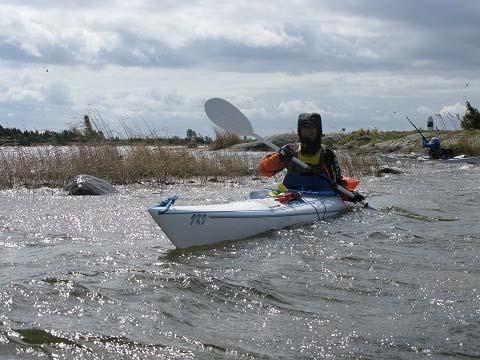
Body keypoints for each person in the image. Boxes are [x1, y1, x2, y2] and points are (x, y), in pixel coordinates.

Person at [258, 112, 364, 202]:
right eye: (305, 129)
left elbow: (336, 183)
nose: (308, 132)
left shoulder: (327, 154)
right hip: (290, 194)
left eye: (312, 128)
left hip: (320, 196)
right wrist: (279, 157)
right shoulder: (290, 150)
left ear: (318, 131)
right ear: (300, 131)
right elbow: (264, 170)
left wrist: (350, 195)